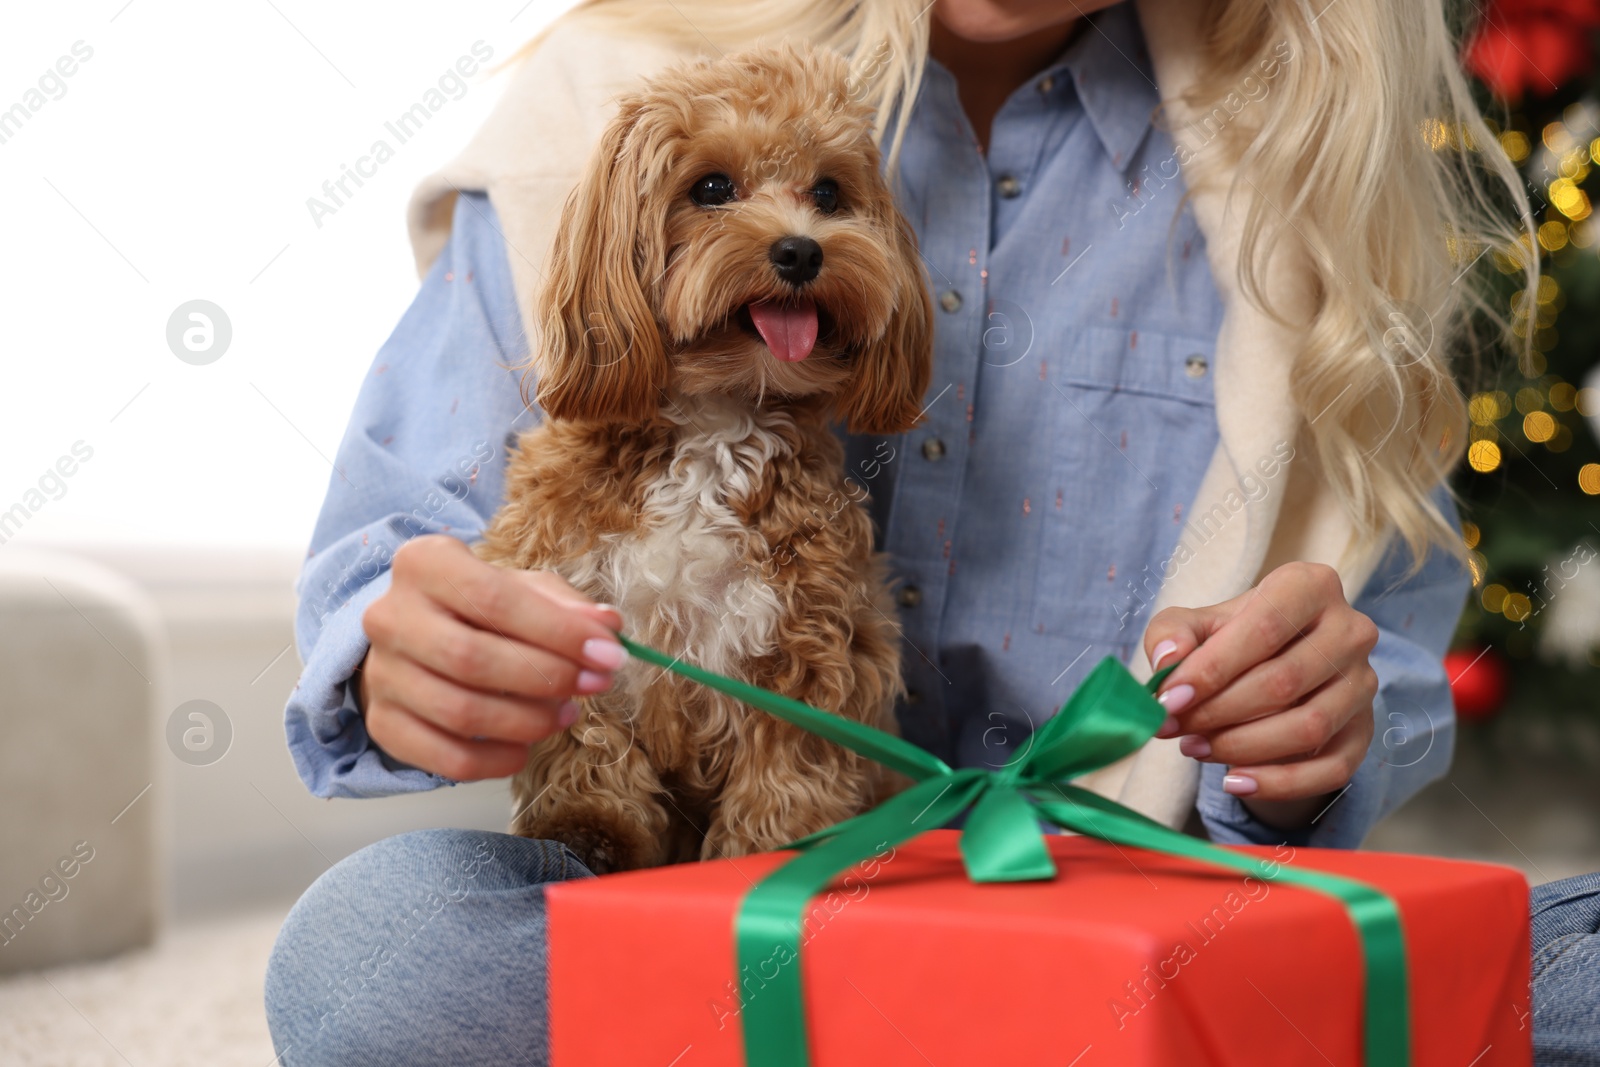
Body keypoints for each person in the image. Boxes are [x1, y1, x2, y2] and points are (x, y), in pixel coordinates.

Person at [265, 1, 1587, 1064]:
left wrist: (1303, 736)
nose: (788, 241)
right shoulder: (609, 86)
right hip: (700, 895)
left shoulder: (1313, 182)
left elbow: (1386, 641)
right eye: (728, 196)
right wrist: (409, 655)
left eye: (827, 208)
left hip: (1118, 891)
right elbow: (396, 544)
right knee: (377, 963)